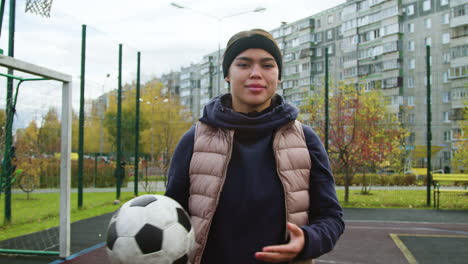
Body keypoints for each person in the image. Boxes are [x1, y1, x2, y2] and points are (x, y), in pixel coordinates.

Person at [165, 28, 344, 264]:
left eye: (267, 65)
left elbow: (331, 217)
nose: (256, 73)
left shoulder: (304, 139)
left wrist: (307, 241)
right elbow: (170, 218)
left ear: (278, 75)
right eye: (244, 64)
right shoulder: (195, 139)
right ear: (227, 74)